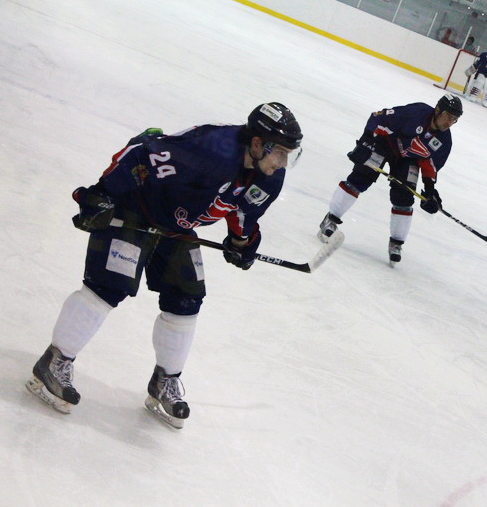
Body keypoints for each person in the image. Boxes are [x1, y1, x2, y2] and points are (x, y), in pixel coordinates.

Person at [25, 102, 304, 428]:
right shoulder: (211, 149)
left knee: (187, 298)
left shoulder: (270, 175)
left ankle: (165, 381)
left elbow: (244, 212)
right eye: (279, 152)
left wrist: (242, 244)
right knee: (108, 287)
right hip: (136, 207)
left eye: (288, 155)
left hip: (176, 225)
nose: (282, 162)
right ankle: (55, 361)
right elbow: (141, 153)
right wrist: (102, 195)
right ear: (257, 143)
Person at [317, 94, 463, 267]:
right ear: (438, 110)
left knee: (404, 197)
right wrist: (366, 143)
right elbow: (378, 118)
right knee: (362, 177)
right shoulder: (416, 113)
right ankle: (330, 219)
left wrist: (430, 190)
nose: (449, 122)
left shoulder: (444, 141)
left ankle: (396, 244)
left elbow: (429, 165)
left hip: (407, 159)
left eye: (454, 119)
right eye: (448, 116)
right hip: (384, 144)